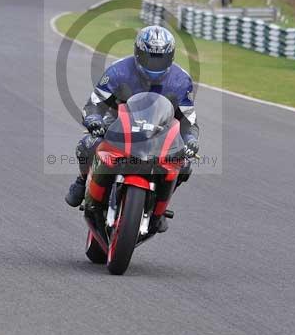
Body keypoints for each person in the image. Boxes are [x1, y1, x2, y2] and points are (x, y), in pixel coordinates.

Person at [64, 25, 200, 233]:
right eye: (150, 57)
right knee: (87, 144)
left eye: (160, 58)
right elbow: (94, 103)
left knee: (183, 164)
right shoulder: (118, 71)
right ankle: (82, 181)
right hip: (117, 124)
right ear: (138, 52)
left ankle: (160, 209)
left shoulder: (181, 80)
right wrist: (93, 120)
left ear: (170, 57)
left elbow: (188, 120)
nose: (155, 63)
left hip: (159, 132)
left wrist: (190, 140)